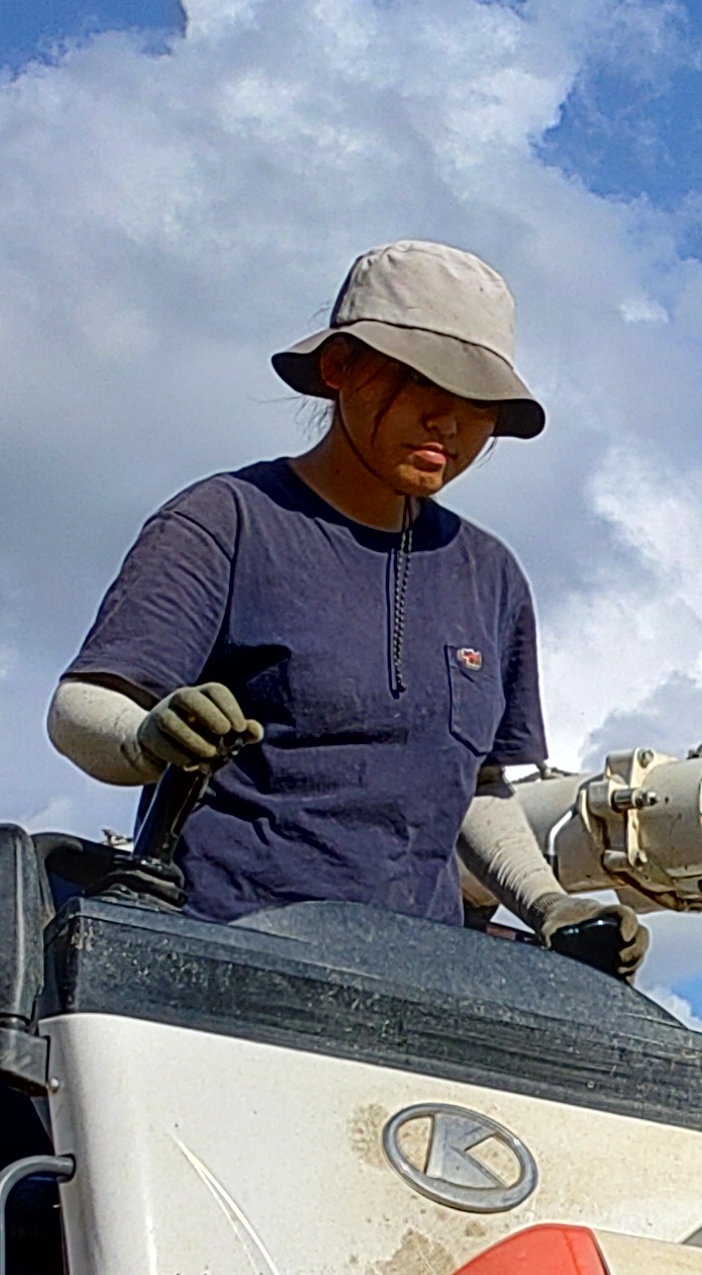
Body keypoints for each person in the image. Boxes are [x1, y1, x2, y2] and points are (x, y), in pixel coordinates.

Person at [48, 241, 638, 969]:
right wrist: (147, 739)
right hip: (217, 973)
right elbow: (80, 707)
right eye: (424, 383)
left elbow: (476, 790)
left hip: (415, 991)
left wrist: (552, 907)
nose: (448, 424)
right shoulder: (227, 521)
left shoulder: (492, 576)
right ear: (338, 369)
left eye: (478, 404)